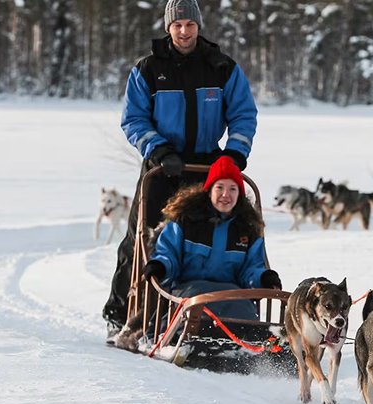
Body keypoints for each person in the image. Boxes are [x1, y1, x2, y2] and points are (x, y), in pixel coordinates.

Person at [103, 0, 258, 336]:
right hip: (163, 166)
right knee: (143, 239)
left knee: (221, 234)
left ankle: (223, 314)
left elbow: (244, 115)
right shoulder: (147, 69)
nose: (184, 31)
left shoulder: (222, 67)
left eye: (190, 25)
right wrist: (157, 148)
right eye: (178, 25)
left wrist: (234, 154)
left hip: (208, 165)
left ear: (198, 26)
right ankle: (123, 317)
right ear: (168, 28)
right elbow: (133, 119)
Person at [142, 156, 282, 321]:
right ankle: (187, 342)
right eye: (220, 187)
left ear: (240, 194)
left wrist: (263, 278)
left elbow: (251, 268)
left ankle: (247, 344)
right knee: (197, 312)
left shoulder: (247, 228)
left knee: (245, 314)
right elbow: (168, 254)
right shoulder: (186, 220)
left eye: (233, 189)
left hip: (232, 293)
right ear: (209, 190)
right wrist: (160, 266)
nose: (226, 194)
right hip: (189, 289)